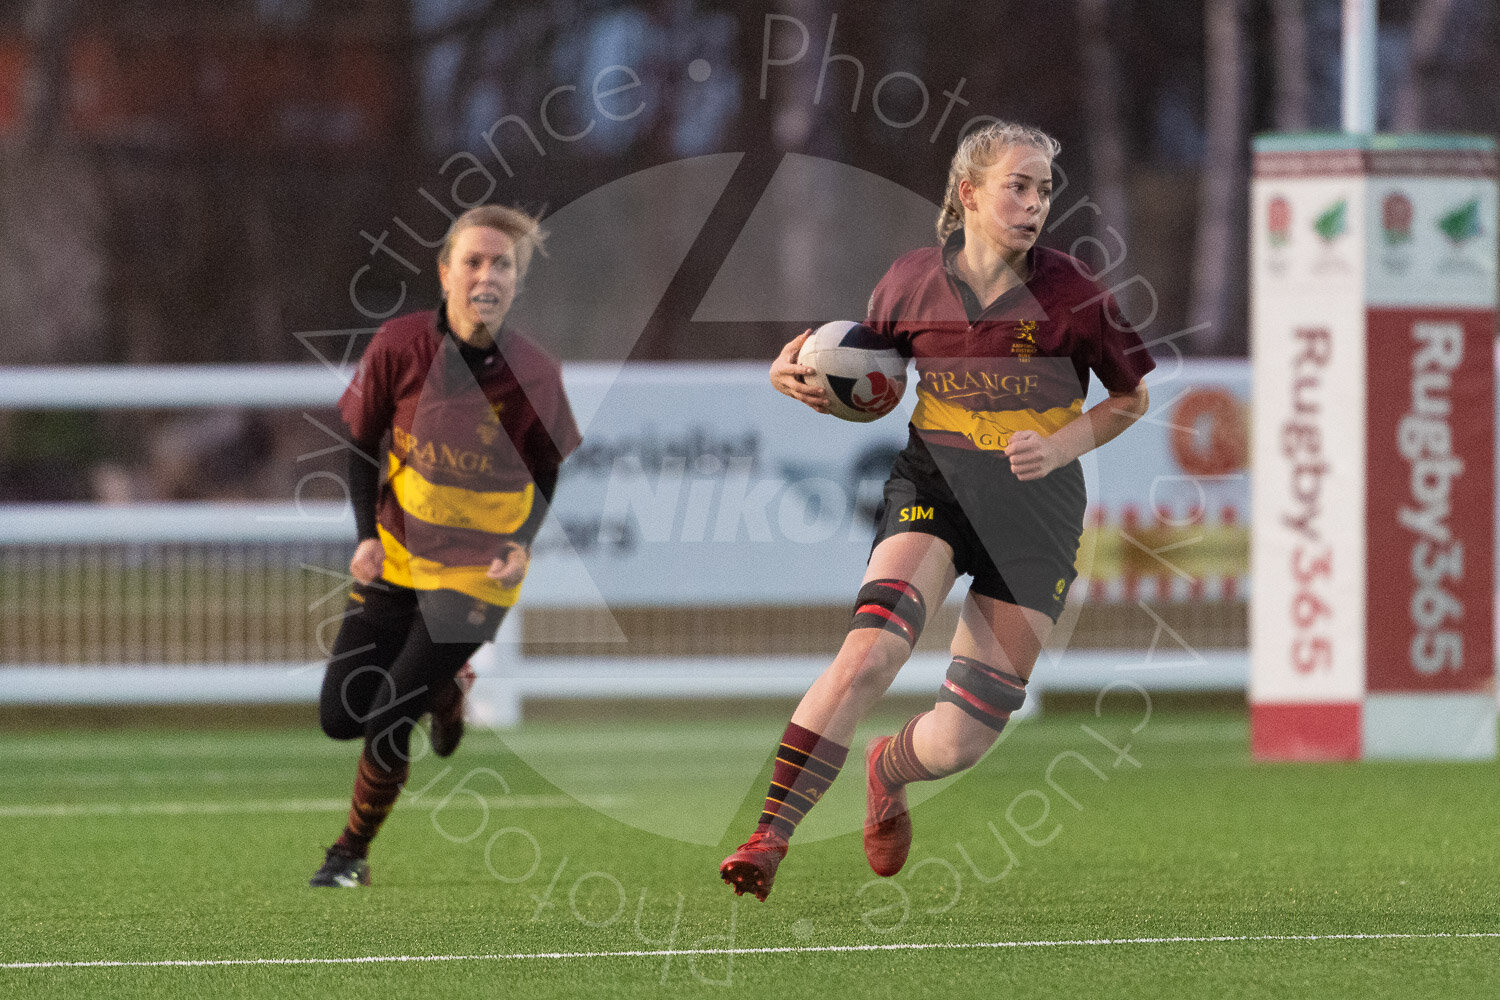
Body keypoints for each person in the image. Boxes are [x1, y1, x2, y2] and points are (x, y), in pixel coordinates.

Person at [718, 122, 1154, 901]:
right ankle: (769, 834)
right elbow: (865, 372)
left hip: (1036, 512)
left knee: (960, 742)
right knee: (868, 655)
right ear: (969, 193)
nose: (1034, 204)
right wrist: (798, 375)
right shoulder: (908, 283)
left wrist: (1060, 446)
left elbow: (1131, 398)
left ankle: (888, 769)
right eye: (1017, 187)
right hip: (935, 488)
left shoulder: (1074, 293)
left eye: (1044, 190)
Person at [310, 204, 581, 888]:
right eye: (473, 261)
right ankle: (446, 689)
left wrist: (521, 543)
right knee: (341, 717)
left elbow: (546, 470)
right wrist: (365, 536)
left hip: (477, 574)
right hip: (398, 558)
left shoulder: (535, 373)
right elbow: (360, 443)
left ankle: (347, 856)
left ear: (517, 281)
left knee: (387, 716)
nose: (487, 275)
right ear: (445, 273)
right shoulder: (400, 345)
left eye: (502, 265)